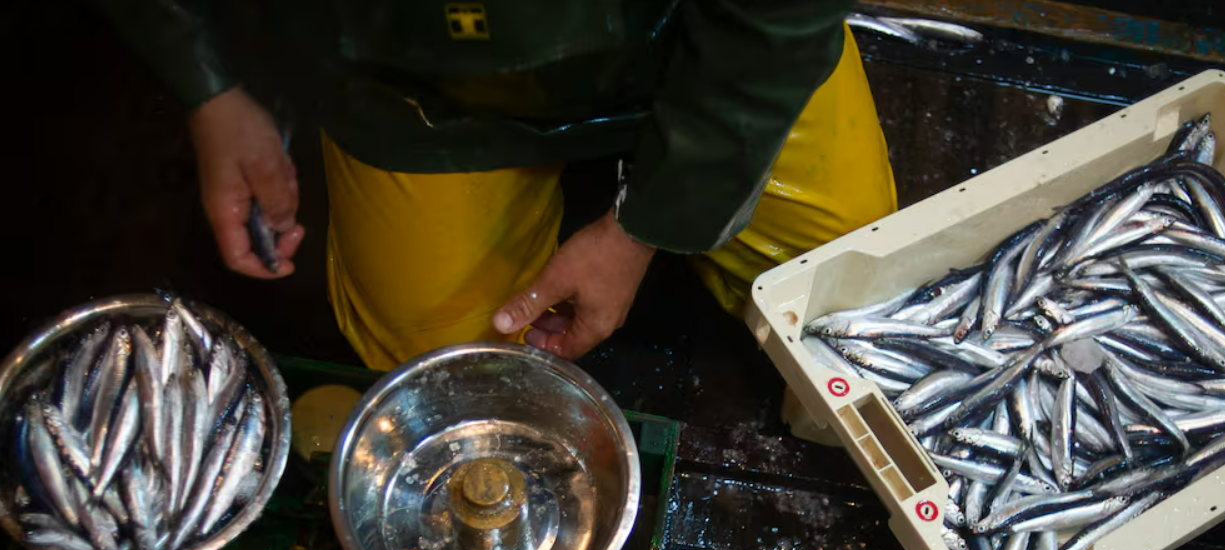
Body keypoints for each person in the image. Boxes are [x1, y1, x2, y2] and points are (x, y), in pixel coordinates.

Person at [94, 1, 897, 369]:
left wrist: (645, 226)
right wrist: (211, 88)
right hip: (406, 86)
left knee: (857, 296)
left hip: (691, 40)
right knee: (443, 369)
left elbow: (780, 21)